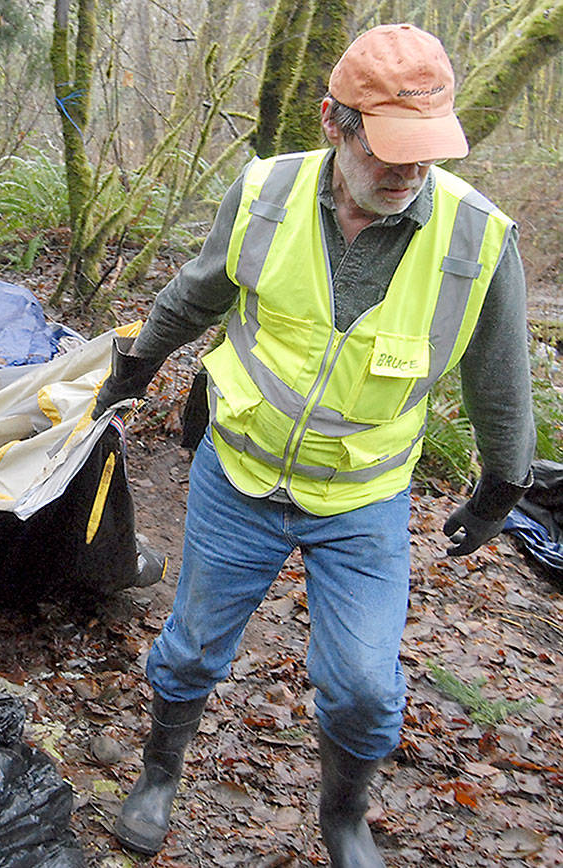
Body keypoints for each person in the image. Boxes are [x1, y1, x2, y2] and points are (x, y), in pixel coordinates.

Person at [94, 23, 535, 867]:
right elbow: (198, 293)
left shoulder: (478, 239)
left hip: (364, 497)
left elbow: (500, 383)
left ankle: (343, 815)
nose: (411, 172)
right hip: (242, 473)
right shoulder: (266, 192)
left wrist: (500, 489)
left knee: (366, 687)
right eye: (391, 150)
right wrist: (138, 364)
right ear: (334, 122)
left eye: (427, 153)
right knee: (190, 649)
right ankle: (159, 771)